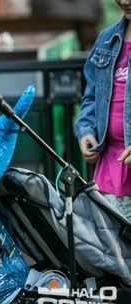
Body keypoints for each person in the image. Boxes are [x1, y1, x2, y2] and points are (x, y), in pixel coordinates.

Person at [75, 0, 131, 222]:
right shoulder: (106, 40)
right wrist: (86, 131)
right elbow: (91, 96)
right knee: (112, 250)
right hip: (109, 169)